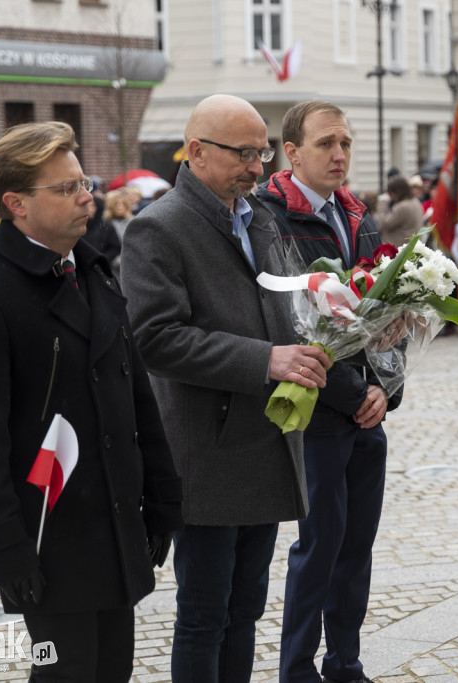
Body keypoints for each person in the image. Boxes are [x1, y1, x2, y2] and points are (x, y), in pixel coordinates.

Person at [0, 121, 183, 682]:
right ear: (16, 203)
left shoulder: (90, 271)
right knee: (67, 674)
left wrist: (163, 496)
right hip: (49, 538)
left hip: (115, 524)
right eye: (67, 188)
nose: (86, 197)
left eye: (84, 182)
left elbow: (135, 393)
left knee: (112, 671)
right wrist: (4, 550)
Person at [120, 94, 331, 683]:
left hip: (264, 440)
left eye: (260, 152)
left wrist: (335, 324)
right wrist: (267, 360)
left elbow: (283, 302)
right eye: (243, 153)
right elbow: (157, 339)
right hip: (206, 451)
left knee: (246, 611)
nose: (257, 166)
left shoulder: (257, 216)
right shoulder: (157, 227)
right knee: (204, 614)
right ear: (195, 153)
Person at [256, 100, 402, 683]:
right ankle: (297, 670)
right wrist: (352, 392)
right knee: (320, 545)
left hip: (367, 412)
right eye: (325, 144)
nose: (339, 154)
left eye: (345, 142)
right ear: (292, 152)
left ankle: (345, 662)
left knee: (357, 546)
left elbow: (382, 312)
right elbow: (288, 321)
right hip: (315, 409)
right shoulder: (270, 216)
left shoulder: (357, 212)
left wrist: (387, 388)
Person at [376, 175, 424, 246]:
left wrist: (382, 204)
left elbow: (384, 224)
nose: (391, 197)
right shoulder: (415, 201)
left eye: (391, 194)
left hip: (400, 250)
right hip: (411, 247)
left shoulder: (402, 207)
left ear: (397, 192)